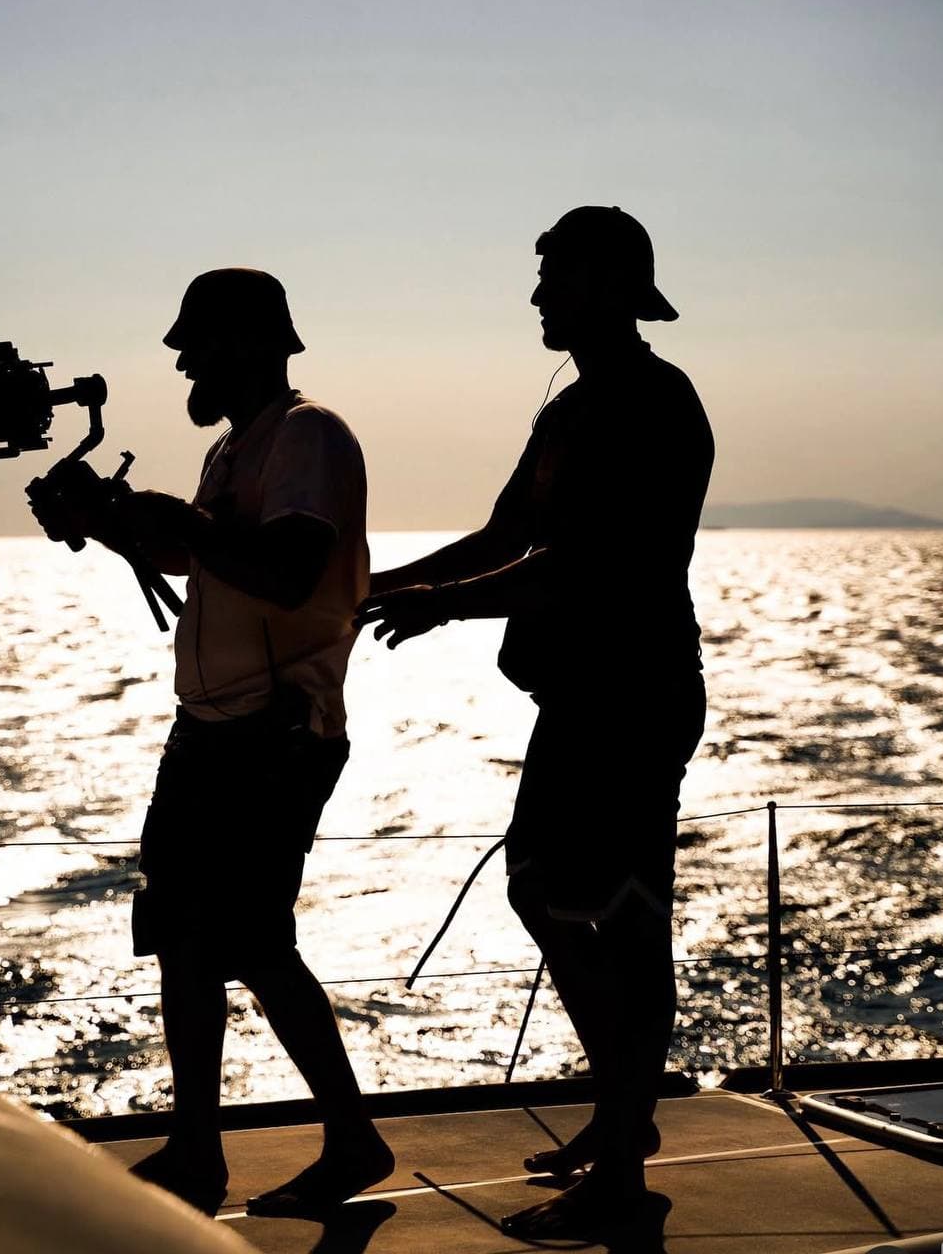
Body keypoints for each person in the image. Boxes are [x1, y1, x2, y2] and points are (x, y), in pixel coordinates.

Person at [356, 207, 713, 1240]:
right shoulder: (568, 411)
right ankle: (620, 1118)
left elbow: (580, 561)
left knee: (621, 912)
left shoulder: (654, 402)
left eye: (552, 276)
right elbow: (505, 533)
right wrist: (377, 583)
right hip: (579, 694)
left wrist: (441, 603)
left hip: (636, 694)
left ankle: (622, 1159)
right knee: (553, 890)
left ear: (607, 283)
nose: (536, 297)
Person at [43, 268, 393, 1216]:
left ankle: (352, 1142)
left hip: (278, 731)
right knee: (186, 942)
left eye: (196, 340)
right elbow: (200, 556)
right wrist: (108, 520)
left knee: (252, 939)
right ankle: (199, 1154)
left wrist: (177, 524)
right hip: (210, 730)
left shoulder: (307, 435)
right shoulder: (238, 449)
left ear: (247, 343)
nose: (180, 357)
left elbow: (285, 573)